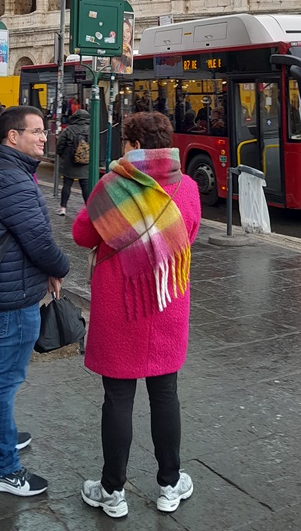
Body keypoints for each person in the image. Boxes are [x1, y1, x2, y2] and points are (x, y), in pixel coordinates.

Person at [73, 111, 202, 518]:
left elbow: (81, 235)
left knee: (117, 398)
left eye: (125, 142)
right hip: (166, 300)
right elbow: (189, 234)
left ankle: (112, 490)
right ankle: (169, 484)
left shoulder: (112, 185)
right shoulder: (187, 186)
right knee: (165, 394)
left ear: (134, 145)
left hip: (121, 305)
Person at [0, 105, 70, 496]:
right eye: (37, 131)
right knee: (4, 380)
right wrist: (60, 268)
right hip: (12, 293)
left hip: (0, 285)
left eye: (44, 130)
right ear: (13, 136)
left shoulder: (1, 169)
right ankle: (3, 468)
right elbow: (39, 240)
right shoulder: (13, 179)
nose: (44, 137)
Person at [55, 107, 91, 215]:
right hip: (85, 162)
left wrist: (61, 153)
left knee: (67, 184)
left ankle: (63, 208)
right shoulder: (91, 129)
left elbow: (60, 144)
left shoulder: (69, 129)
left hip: (69, 161)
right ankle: (89, 209)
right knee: (85, 186)